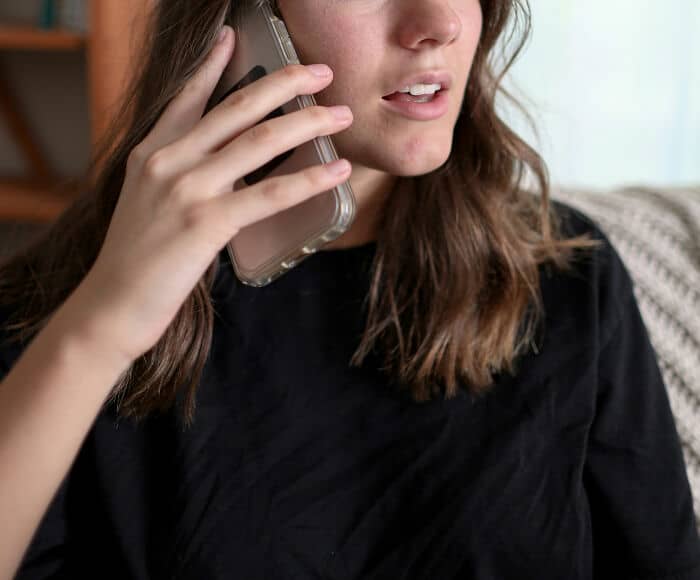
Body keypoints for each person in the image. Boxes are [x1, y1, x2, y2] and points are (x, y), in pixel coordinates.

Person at [1, 0, 699, 578]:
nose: (440, 23)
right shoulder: (61, 311)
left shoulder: (568, 272)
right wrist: (102, 327)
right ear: (240, 22)